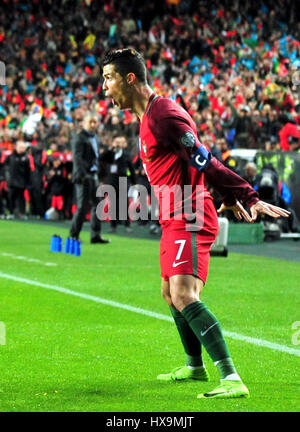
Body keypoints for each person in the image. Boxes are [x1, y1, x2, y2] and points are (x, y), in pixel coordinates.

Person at [102, 48, 290, 399]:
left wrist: (246, 195)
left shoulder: (163, 116)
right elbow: (191, 165)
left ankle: (231, 377)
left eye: (109, 78)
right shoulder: (148, 118)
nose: (104, 88)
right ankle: (194, 366)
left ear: (130, 78)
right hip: (173, 214)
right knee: (169, 295)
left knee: (184, 295)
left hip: (188, 213)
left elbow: (205, 159)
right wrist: (227, 198)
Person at [69, 113, 109, 244]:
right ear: (85, 123)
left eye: (95, 122)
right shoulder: (79, 138)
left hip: (93, 175)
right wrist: (82, 174)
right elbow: (77, 158)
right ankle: (73, 235)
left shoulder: (94, 138)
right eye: (91, 122)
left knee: (97, 205)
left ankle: (95, 235)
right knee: (82, 206)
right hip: (83, 176)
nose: (93, 125)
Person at [99, 135, 136, 233]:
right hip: (111, 181)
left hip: (123, 181)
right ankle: (113, 225)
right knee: (113, 204)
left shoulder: (126, 154)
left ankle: (127, 224)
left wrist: (134, 182)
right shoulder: (110, 153)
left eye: (120, 142)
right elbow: (101, 158)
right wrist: (110, 148)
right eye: (116, 142)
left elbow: (131, 169)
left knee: (124, 204)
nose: (118, 144)